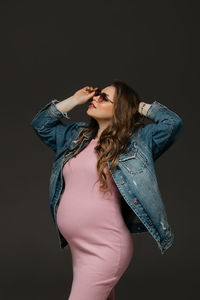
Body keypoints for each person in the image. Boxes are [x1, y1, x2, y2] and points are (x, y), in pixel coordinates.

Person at [30, 80, 183, 300]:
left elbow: (173, 124)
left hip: (105, 247)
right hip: (80, 248)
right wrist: (75, 100)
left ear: (119, 108)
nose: (95, 98)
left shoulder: (136, 142)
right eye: (98, 94)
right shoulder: (75, 137)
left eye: (104, 98)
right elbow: (40, 124)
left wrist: (136, 105)